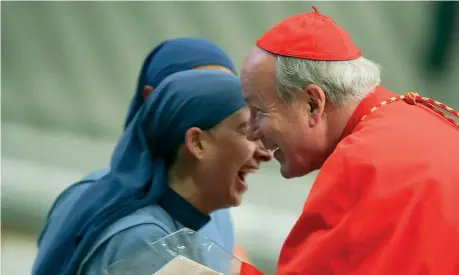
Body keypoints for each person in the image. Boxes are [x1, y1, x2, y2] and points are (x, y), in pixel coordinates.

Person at [241, 6, 459, 275]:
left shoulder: (359, 162)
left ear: (312, 104)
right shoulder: (421, 122)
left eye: (259, 112)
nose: (251, 131)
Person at [33, 38, 268, 275]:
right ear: (195, 142)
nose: (265, 152)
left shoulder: (208, 218)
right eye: (245, 129)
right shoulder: (144, 238)